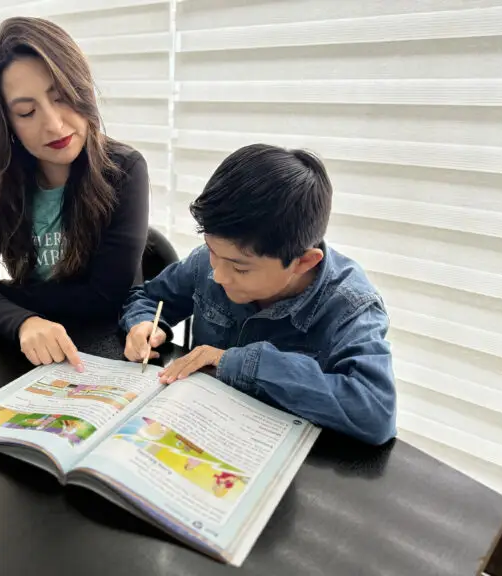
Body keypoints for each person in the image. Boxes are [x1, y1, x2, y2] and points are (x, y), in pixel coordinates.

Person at [120, 144, 396, 445]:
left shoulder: (350, 305)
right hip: (192, 428)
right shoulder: (211, 261)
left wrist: (238, 363)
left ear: (304, 262)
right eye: (213, 251)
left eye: (241, 269)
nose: (219, 275)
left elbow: (375, 412)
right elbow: (147, 298)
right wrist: (143, 323)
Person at [0, 17, 150, 371]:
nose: (55, 124)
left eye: (62, 98)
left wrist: (4, 294)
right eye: (26, 112)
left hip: (104, 353)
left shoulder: (125, 170)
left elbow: (104, 298)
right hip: (30, 356)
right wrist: (23, 321)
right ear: (5, 122)